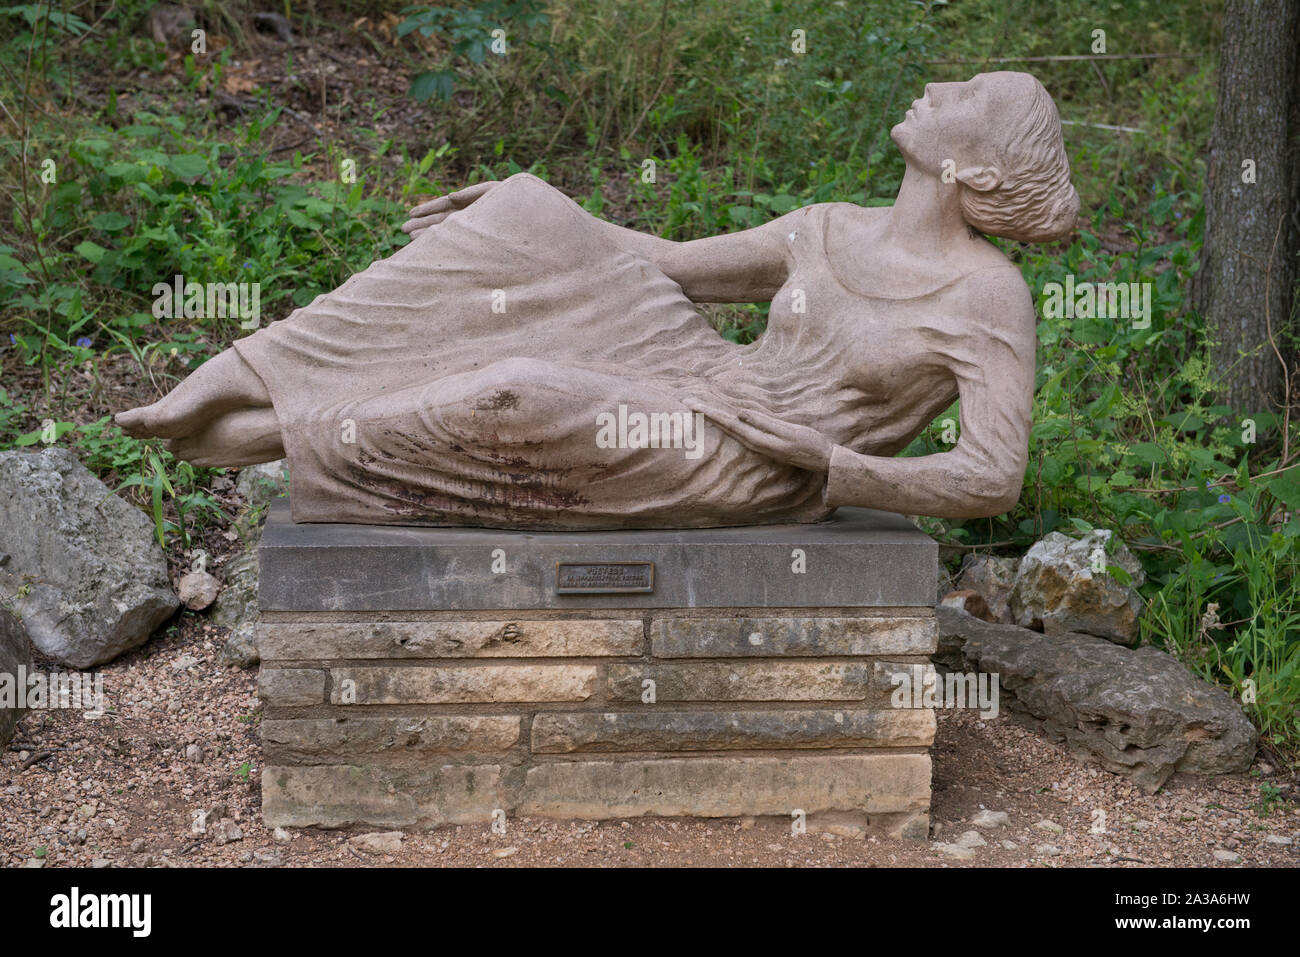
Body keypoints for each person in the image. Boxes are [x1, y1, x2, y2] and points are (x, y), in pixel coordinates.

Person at [116, 71, 1078, 529]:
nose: (937, 84)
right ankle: (251, 371)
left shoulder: (986, 297)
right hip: (706, 376)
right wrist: (536, 217)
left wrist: (831, 464)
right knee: (530, 211)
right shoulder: (827, 226)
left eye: (966, 94)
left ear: (980, 164)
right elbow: (666, 264)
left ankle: (278, 433)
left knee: (526, 386)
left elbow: (991, 480)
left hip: (753, 460)